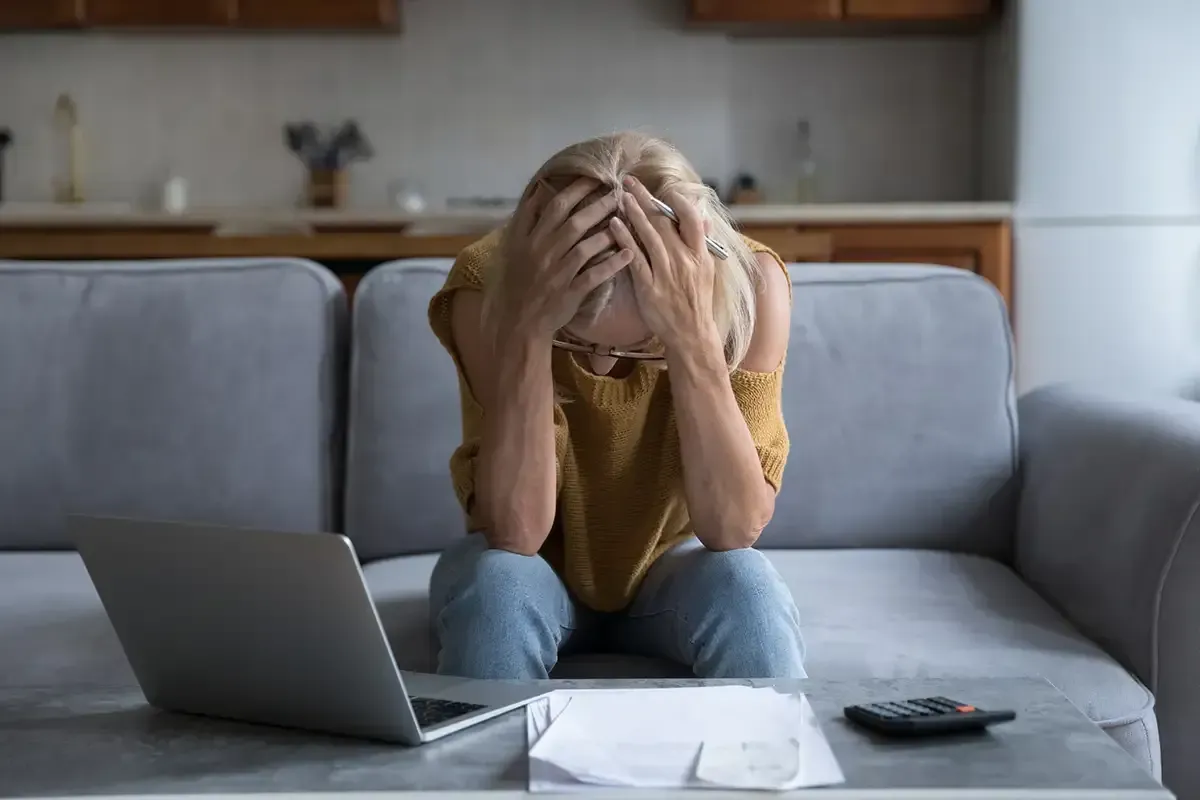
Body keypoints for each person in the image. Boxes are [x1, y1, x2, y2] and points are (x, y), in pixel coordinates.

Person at [426, 131, 804, 680]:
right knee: (497, 591)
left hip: (672, 569)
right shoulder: (488, 285)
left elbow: (733, 527)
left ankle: (768, 764)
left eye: (634, 348)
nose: (601, 368)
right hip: (531, 566)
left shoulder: (751, 285)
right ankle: (480, 767)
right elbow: (515, 531)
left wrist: (692, 341)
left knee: (749, 590)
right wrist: (529, 333)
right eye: (574, 342)